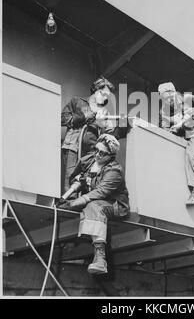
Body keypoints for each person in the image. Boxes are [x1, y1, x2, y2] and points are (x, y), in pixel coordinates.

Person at [58, 134, 130, 274]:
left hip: (114, 204)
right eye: (96, 150)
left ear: (110, 155)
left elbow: (101, 192)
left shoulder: (114, 170)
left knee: (94, 206)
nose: (97, 155)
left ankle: (100, 260)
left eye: (102, 153)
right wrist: (78, 181)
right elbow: (75, 176)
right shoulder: (90, 160)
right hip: (93, 200)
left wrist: (77, 202)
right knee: (87, 206)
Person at [61, 77, 116, 194]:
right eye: (103, 93)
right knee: (71, 178)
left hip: (91, 152)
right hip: (73, 147)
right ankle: (66, 204)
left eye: (107, 96)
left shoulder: (104, 111)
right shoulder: (77, 101)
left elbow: (106, 134)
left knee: (85, 181)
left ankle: (77, 206)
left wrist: (107, 127)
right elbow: (63, 119)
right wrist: (85, 117)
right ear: (95, 90)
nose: (105, 97)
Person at [158, 82, 194, 206]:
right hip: (184, 139)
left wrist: (185, 118)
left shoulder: (187, 99)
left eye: (169, 97)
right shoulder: (164, 111)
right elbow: (164, 129)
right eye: (164, 99)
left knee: (192, 155)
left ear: (174, 92)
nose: (168, 101)